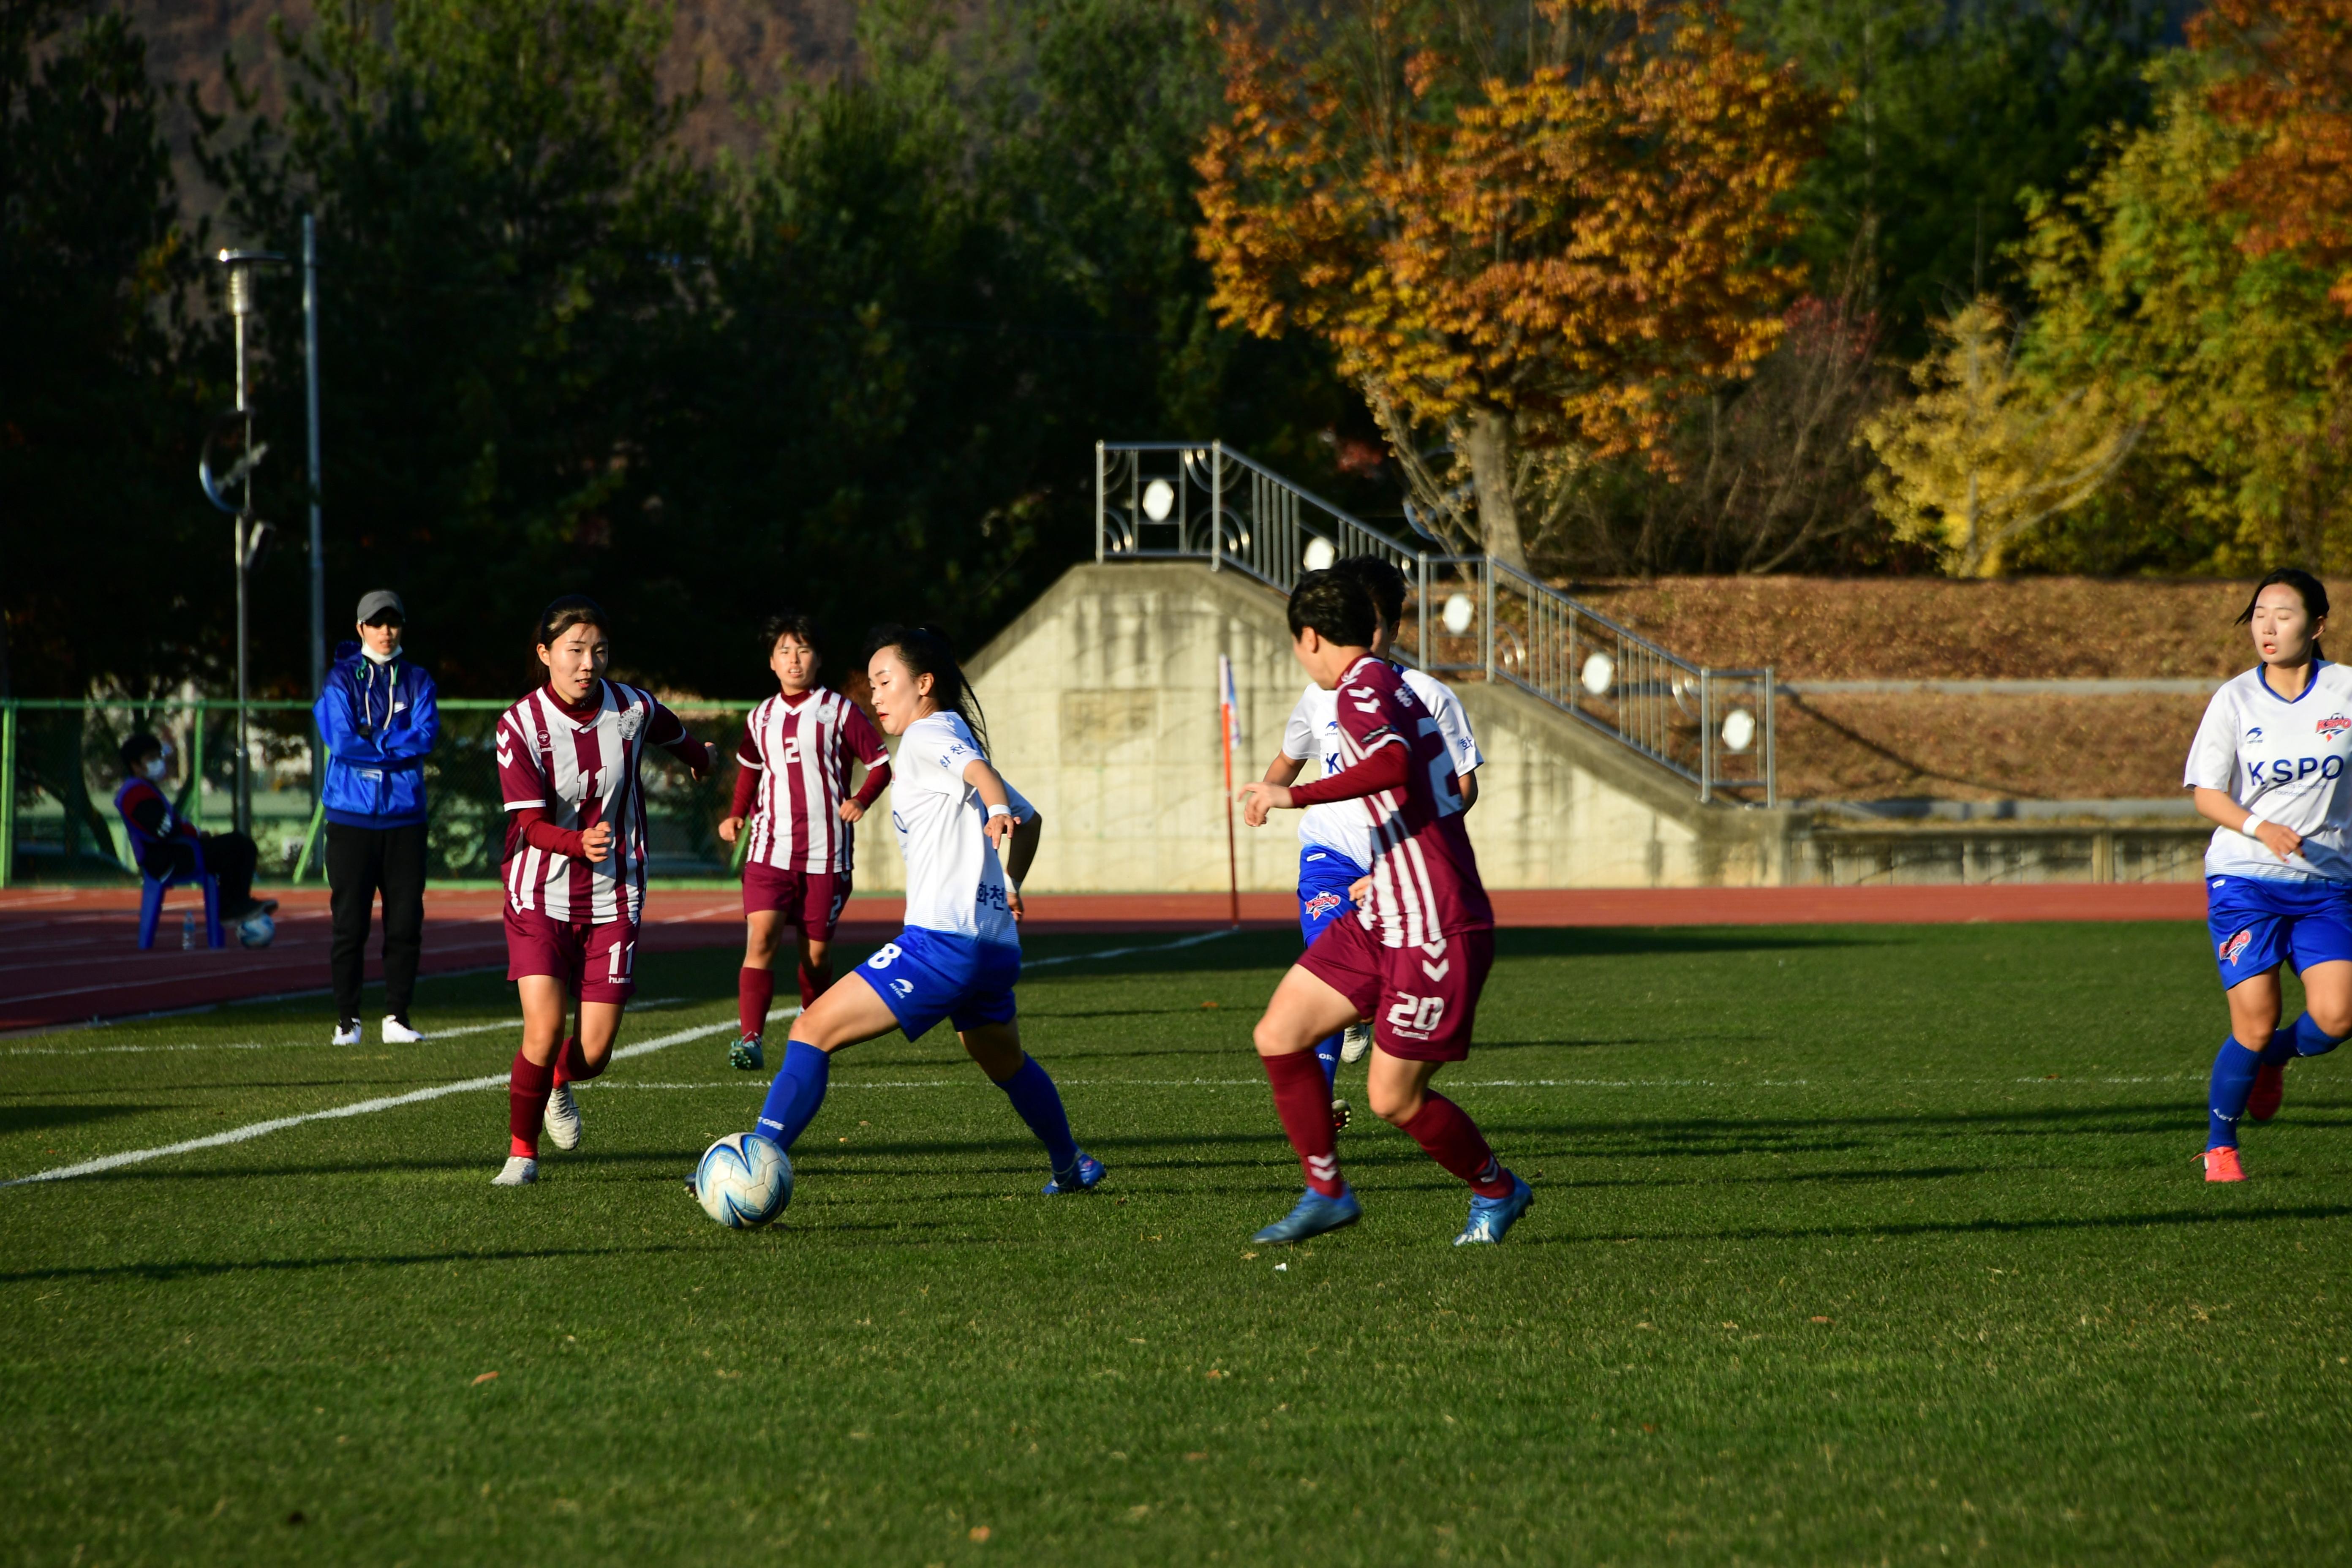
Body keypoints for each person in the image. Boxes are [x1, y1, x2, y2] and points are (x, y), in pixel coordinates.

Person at [721, 625, 1104, 1201]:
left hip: (943, 944)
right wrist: (1012, 881)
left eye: (884, 682)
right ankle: (1071, 1165)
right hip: (993, 948)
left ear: (924, 685)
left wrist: (996, 805)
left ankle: (755, 1161)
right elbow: (1034, 821)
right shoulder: (944, 736)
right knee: (1004, 1061)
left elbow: (986, 781)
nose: (874, 696)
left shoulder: (930, 735)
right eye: (871, 684)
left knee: (811, 1029)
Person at [1236, 569, 1529, 1245]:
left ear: (1310, 638)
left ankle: (1497, 1188)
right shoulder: (1388, 683)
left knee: (1392, 1098)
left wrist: (1292, 796)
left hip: (1434, 923)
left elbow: (1394, 764)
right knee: (1280, 1034)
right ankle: (1326, 1190)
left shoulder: (1361, 692)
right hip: (1386, 909)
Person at [492, 595, 714, 1187]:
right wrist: (577, 844)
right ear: (545, 655)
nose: (588, 663)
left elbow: (670, 728)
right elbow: (531, 825)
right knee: (543, 1030)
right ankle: (522, 1154)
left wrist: (700, 758)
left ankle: (558, 1081)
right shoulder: (521, 726)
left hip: (615, 897)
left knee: (594, 1053)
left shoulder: (631, 707)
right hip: (539, 893)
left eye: (599, 651)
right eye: (575, 651)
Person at [1256, 555, 1484, 1131]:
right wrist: (1267, 791)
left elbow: (1461, 787)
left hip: (1402, 869)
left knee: (1373, 999)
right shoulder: (1319, 697)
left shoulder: (1427, 696)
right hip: (1330, 858)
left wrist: (1396, 864)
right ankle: (1323, 1114)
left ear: (1387, 625)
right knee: (1323, 956)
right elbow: (1290, 757)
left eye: (1367, 618)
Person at [2186, 568, 2352, 1182]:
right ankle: (2220, 1146)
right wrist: (2260, 828)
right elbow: (2207, 794)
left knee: (2337, 1018)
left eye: (2283, 614)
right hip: (2245, 880)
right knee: (2252, 1021)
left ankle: (2274, 1059)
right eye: (2259, 614)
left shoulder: (2347, 692)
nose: (2268, 626)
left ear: (2318, 625)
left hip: (2328, 885)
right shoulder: (2234, 699)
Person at [715, 611, 893, 1071]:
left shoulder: (840, 711)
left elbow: (879, 764)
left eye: (804, 650)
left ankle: (812, 1021)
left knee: (816, 954)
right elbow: (750, 769)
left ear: (818, 659)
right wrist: (736, 814)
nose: (794, 660)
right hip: (769, 850)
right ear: (772, 662)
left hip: (826, 852)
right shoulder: (761, 717)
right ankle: (751, 1039)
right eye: (785, 652)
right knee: (763, 936)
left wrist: (861, 800)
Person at [315, 590, 440, 1045]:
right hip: (350, 818)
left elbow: (425, 737)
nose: (386, 632)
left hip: (405, 818)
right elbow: (342, 740)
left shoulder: (419, 680)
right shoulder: (340, 680)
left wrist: (376, 741)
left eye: (394, 622)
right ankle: (347, 1020)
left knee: (405, 922)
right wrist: (393, 743)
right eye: (377, 622)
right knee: (350, 924)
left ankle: (397, 1017)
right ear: (360, 628)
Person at [113, 732, 277, 946]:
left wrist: (196, 834)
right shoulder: (135, 793)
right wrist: (196, 835)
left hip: (178, 851)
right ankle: (230, 907)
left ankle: (235, 903)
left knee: (240, 845)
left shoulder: (146, 789)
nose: (158, 763)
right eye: (151, 759)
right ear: (135, 765)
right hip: (167, 859)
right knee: (238, 846)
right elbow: (163, 829)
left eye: (158, 756)